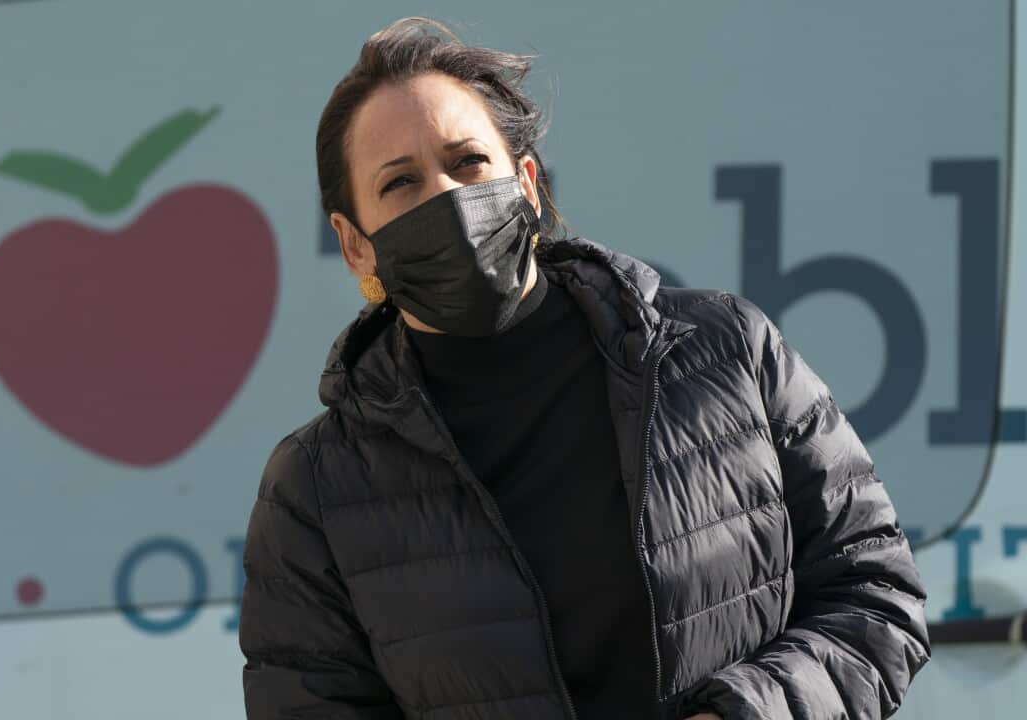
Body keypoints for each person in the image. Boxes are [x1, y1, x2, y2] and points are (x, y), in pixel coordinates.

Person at [238, 16, 930, 720]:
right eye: (401, 183)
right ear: (355, 245)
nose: (446, 197)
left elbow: (874, 594)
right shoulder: (316, 491)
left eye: (469, 161)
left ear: (528, 183)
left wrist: (740, 716)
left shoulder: (726, 353)